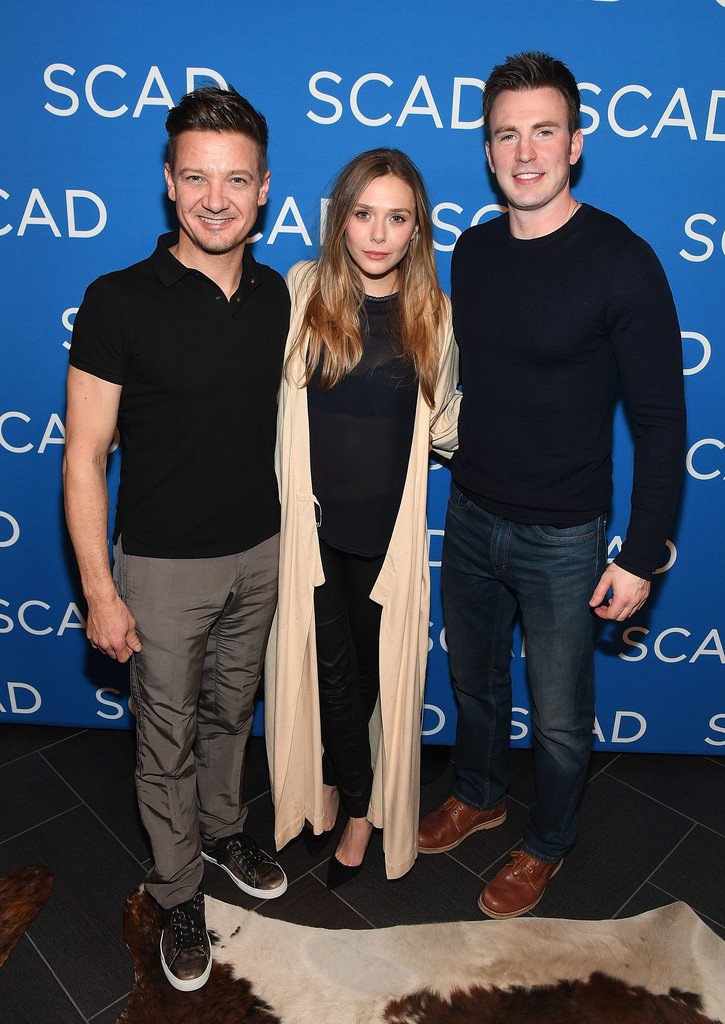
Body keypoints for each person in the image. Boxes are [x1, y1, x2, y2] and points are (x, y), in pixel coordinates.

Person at [418, 52, 686, 918]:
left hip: (566, 537)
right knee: (473, 683)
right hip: (469, 513)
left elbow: (661, 423)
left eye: (543, 131)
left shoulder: (622, 261)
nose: (524, 151)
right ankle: (480, 794)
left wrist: (639, 557)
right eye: (506, 134)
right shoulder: (472, 251)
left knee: (562, 719)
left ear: (574, 144)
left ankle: (548, 842)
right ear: (487, 150)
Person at [63, 85, 290, 992]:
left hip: (262, 553)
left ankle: (224, 830)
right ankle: (178, 889)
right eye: (196, 177)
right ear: (168, 182)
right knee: (165, 741)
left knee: (232, 715)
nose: (215, 198)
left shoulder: (277, 294)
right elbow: (85, 457)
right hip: (159, 569)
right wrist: (100, 590)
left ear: (264, 188)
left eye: (235, 179)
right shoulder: (116, 300)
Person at [265, 148, 459, 887]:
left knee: (369, 680)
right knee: (330, 675)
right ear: (340, 219)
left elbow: (445, 425)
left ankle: (353, 797)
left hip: (387, 538)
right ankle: (351, 805)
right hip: (313, 533)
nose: (379, 234)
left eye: (397, 218)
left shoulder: (435, 315)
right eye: (364, 214)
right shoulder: (302, 290)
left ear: (417, 229)